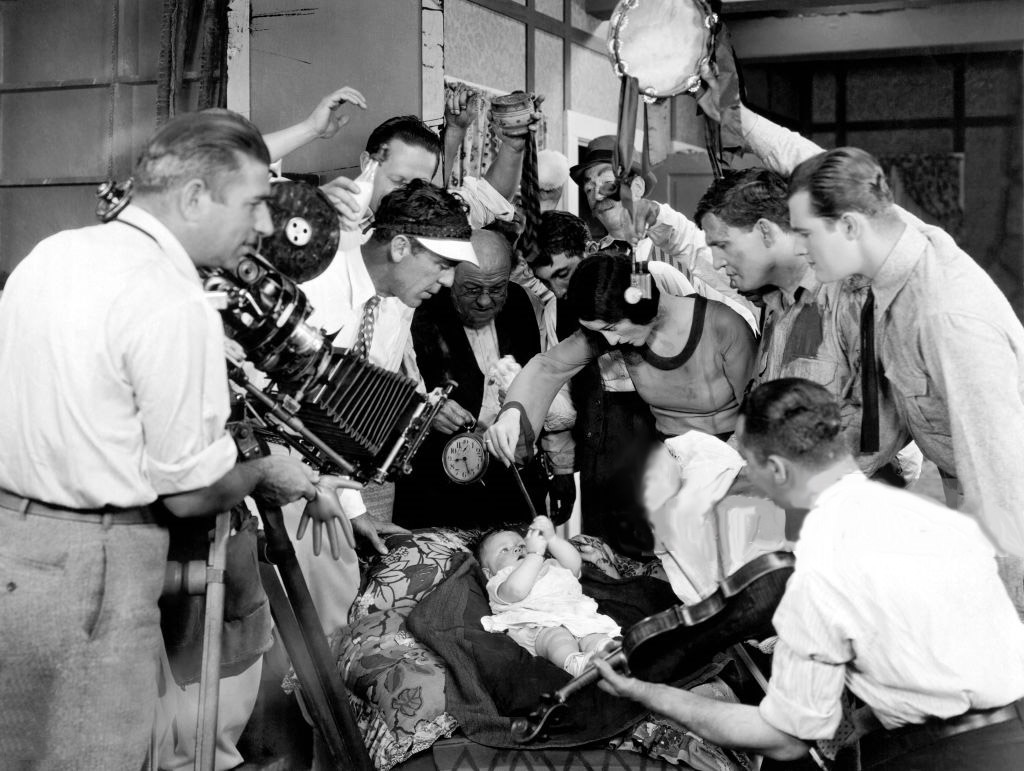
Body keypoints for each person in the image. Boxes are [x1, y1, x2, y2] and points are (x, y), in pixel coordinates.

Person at [0, 109, 335, 768]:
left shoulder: (52, 253)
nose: (265, 225)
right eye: (256, 204)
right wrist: (265, 461)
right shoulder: (173, 300)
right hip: (91, 564)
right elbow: (191, 492)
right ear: (193, 197)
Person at [594, 378, 1024, 769]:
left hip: (946, 756)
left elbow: (783, 740)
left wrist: (646, 693)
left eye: (747, 464)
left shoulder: (814, 574)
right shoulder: (941, 518)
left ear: (777, 469)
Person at [697, 75, 1024, 564]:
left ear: (848, 226)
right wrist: (733, 115)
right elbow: (806, 161)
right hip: (962, 482)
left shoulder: (945, 315)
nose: (799, 248)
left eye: (805, 234)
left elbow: (1004, 476)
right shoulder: (893, 244)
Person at [694, 167, 920, 484]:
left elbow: (883, 428)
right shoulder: (777, 305)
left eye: (723, 245)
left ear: (765, 231)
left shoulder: (855, 295)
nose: (717, 261)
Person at [487, 252, 756, 516]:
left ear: (640, 305)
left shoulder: (724, 326)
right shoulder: (611, 332)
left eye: (613, 328)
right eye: (600, 332)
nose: (611, 342)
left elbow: (758, 414)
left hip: (733, 463)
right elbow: (548, 366)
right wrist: (512, 412)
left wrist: (714, 474)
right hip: (672, 469)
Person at [394, 228, 573, 528]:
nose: (485, 301)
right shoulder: (415, 308)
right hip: (436, 491)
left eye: (497, 288)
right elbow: (383, 388)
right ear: (449, 278)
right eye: (472, 289)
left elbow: (550, 389)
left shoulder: (524, 304)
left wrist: (563, 469)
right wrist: (422, 408)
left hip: (515, 484)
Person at [478, 515, 620, 677]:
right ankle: (575, 663)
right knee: (557, 639)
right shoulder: (501, 580)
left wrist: (552, 539)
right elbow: (516, 590)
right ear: (488, 573)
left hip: (576, 617)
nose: (517, 549)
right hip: (539, 625)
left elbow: (573, 564)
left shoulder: (548, 565)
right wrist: (535, 554)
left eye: (521, 545)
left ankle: (609, 650)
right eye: (505, 550)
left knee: (594, 634)